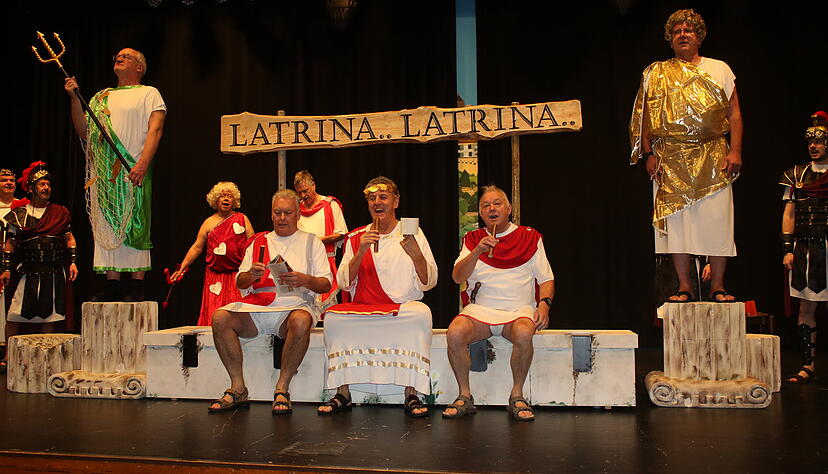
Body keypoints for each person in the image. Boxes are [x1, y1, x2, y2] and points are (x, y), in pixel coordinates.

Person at [629, 8, 743, 302]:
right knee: (677, 224)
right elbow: (646, 117)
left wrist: (736, 150)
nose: (683, 34)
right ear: (670, 39)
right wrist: (648, 153)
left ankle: (718, 286)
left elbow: (734, 114)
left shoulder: (720, 69)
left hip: (713, 153)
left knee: (717, 220)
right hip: (670, 156)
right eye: (677, 31)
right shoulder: (656, 72)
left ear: (699, 37)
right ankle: (685, 287)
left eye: (688, 30)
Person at [318, 177, 437, 418]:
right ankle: (343, 392)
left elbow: (429, 281)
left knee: (421, 313)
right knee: (332, 318)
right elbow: (343, 282)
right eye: (371, 198)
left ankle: (411, 393)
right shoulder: (357, 237)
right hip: (366, 308)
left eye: (383, 197)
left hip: (401, 309)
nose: (377, 202)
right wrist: (361, 251)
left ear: (396, 201)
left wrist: (416, 255)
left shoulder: (411, 233)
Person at [208, 189, 332, 414]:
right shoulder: (258, 241)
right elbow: (240, 282)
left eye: (287, 213)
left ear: (297, 215)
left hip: (293, 306)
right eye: (277, 213)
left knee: (302, 321)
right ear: (271, 214)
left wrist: (306, 279)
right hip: (256, 307)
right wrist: (252, 276)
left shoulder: (312, 242)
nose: (282, 218)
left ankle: (282, 388)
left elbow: (326, 284)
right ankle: (238, 387)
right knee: (220, 317)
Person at [443, 185, 554, 421]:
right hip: (481, 311)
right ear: (481, 214)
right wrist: (477, 252)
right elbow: (457, 277)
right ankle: (464, 395)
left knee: (525, 333)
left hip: (518, 311)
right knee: (455, 332)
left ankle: (517, 395)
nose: (492, 208)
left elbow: (546, 278)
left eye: (497, 203)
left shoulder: (529, 236)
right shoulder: (472, 239)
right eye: (485, 206)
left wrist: (544, 305)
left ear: (509, 208)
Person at [65, 48, 166, 301]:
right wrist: (75, 99)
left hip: (134, 166)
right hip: (105, 169)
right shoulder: (101, 97)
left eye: (126, 56)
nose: (118, 58)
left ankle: (136, 284)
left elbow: (156, 130)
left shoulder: (149, 93)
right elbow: (84, 132)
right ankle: (111, 283)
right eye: (117, 57)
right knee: (108, 222)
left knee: (136, 221)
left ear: (140, 67)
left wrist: (143, 163)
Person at [1, 163, 78, 370]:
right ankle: (9, 355)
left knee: (50, 313)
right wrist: (6, 268)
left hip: (53, 270)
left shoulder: (60, 212)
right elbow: (10, 243)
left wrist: (73, 263)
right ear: (32, 188)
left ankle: (46, 355)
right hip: (27, 271)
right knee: (14, 313)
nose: (46, 188)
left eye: (48, 185)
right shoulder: (19, 213)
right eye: (42, 184)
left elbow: (69, 238)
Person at [780, 111, 828, 384]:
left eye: (820, 141)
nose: (814, 146)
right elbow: (789, 214)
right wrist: (787, 248)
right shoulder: (797, 174)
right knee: (805, 308)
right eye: (811, 141)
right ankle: (807, 365)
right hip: (806, 248)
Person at [170, 182, 254, 325]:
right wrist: (182, 267)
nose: (226, 199)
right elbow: (197, 247)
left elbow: (252, 243)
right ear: (215, 200)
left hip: (237, 275)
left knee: (236, 312)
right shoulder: (209, 222)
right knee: (214, 313)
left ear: (234, 200)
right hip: (214, 276)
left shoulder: (242, 219)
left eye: (229, 196)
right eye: (222, 196)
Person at [294, 170, 347, 307]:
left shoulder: (330, 205)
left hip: (325, 262)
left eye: (305, 191)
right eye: (299, 192)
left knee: (325, 307)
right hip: (301, 264)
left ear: (314, 185)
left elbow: (341, 233)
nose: (303, 195)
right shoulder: (296, 208)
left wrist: (316, 242)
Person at [0, 168, 20, 372]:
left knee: (10, 309)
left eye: (11, 180)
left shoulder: (22, 206)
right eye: (4, 180)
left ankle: (8, 353)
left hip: (13, 264)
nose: (8, 183)